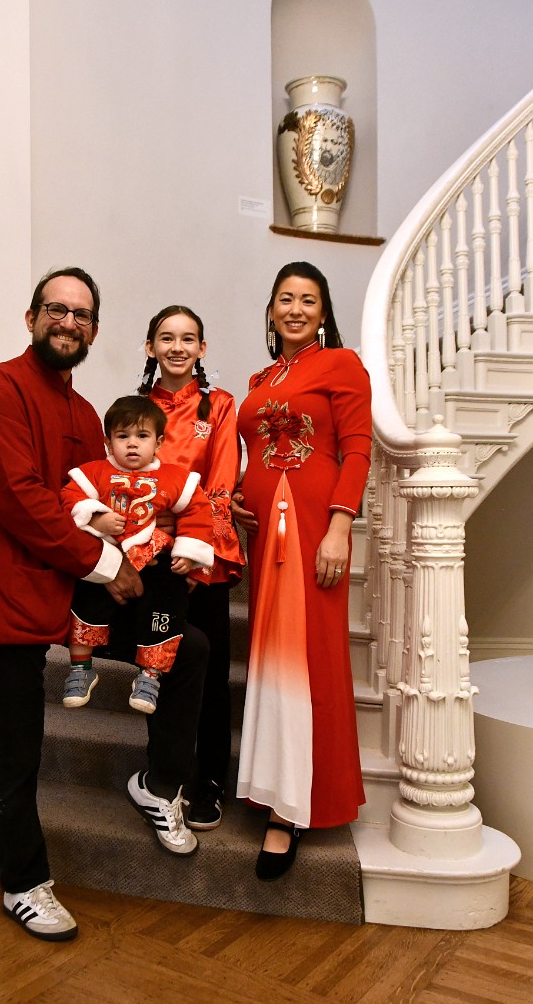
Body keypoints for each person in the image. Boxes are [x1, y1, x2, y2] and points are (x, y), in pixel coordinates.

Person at [0, 267, 209, 943]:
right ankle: (24, 884)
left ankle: (157, 782)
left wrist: (178, 523)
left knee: (189, 648)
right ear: (31, 318)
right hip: (4, 596)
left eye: (82, 315)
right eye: (56, 310)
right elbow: (20, 500)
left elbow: (109, 499)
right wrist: (107, 562)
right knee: (16, 748)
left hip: (70, 592)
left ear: (93, 331)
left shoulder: (88, 414)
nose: (68, 322)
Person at [231, 261, 372, 881]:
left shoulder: (341, 364)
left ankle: (292, 811)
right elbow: (256, 451)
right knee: (272, 656)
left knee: (306, 654)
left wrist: (341, 525)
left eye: (307, 300)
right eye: (285, 299)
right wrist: (238, 492)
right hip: (266, 535)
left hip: (314, 525)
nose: (295, 309)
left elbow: (358, 446)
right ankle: (274, 785)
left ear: (323, 311)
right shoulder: (263, 377)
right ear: (270, 311)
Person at [138, 306, 244, 829]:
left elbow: (220, 482)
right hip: (152, 559)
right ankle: (165, 773)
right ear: (150, 348)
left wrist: (194, 545)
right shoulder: (135, 409)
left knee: (212, 675)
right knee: (160, 664)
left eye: (188, 339)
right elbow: (125, 480)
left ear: (202, 349)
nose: (177, 347)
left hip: (204, 560)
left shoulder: (219, 406)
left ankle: (209, 782)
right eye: (166, 338)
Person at [60, 394, 214, 714]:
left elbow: (198, 512)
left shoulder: (176, 478)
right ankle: (80, 667)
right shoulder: (94, 473)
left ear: (158, 443)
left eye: (142, 436)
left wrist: (189, 551)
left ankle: (150, 675)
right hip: (108, 555)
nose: (132, 444)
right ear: (107, 442)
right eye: (122, 436)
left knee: (168, 600)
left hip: (153, 555)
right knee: (84, 594)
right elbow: (69, 499)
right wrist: (95, 516)